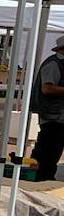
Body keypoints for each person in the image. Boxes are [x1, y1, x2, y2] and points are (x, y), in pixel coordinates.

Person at [30, 35, 64, 182]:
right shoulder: (53, 64)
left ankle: (45, 176)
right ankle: (40, 178)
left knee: (53, 149)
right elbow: (47, 89)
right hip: (52, 115)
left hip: (58, 115)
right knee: (48, 149)